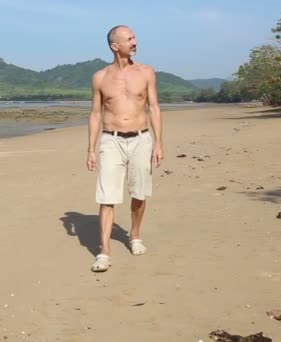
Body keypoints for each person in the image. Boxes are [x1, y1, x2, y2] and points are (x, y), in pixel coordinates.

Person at [86, 25, 163, 272]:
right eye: (129, 39)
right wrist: (90, 148)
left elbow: (155, 107)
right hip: (111, 140)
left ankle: (135, 235)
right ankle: (104, 251)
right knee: (107, 196)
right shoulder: (100, 77)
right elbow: (96, 114)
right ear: (114, 45)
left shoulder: (146, 72)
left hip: (141, 138)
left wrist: (158, 143)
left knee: (139, 193)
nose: (135, 42)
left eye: (135, 37)